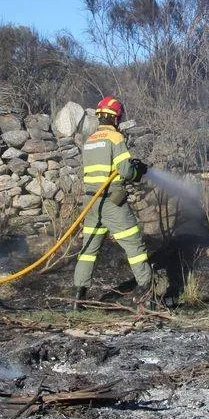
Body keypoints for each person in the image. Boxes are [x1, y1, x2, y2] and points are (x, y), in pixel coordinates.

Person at [73, 95, 152, 310]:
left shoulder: (90, 140)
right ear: (116, 118)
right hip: (112, 202)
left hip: (91, 203)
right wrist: (137, 171)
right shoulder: (115, 138)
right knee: (134, 245)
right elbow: (125, 171)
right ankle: (149, 296)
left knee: (88, 251)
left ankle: (78, 300)